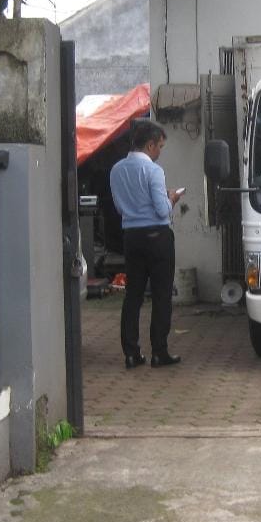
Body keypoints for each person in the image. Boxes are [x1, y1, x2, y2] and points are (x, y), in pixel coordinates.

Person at [109, 120, 184, 369]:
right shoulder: (153, 171)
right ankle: (159, 352)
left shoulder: (116, 170)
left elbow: (119, 207)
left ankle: (131, 353)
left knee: (133, 295)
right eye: (160, 146)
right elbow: (162, 210)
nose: (160, 151)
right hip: (157, 236)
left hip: (131, 236)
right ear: (150, 145)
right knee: (162, 295)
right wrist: (172, 198)